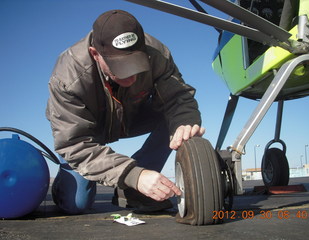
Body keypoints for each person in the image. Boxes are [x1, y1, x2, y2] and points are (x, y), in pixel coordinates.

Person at [46, 9, 205, 213]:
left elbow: (179, 98)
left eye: (137, 66)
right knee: (76, 203)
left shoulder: (156, 54)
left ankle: (132, 191)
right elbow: (75, 143)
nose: (131, 78)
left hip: (129, 117)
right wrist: (133, 175)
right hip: (84, 132)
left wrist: (185, 121)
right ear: (96, 54)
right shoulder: (67, 77)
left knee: (179, 122)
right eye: (120, 68)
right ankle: (70, 178)